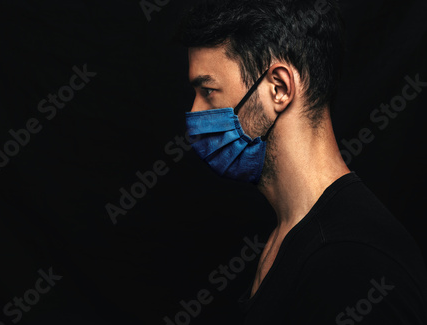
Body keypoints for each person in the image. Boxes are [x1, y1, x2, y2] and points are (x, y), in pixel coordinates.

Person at [178, 0, 427, 323]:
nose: (195, 114)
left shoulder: (352, 262)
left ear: (279, 88)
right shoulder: (290, 233)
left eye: (208, 91)